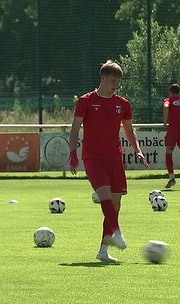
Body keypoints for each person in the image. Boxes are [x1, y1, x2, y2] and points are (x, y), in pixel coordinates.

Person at [68, 60, 149, 263]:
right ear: (103, 78)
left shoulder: (123, 104)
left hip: (114, 158)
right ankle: (117, 232)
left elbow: (129, 130)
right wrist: (73, 154)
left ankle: (103, 250)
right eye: (113, 80)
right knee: (104, 197)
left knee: (116, 203)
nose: (115, 84)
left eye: (118, 81)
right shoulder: (86, 101)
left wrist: (137, 150)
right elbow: (75, 129)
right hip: (93, 158)